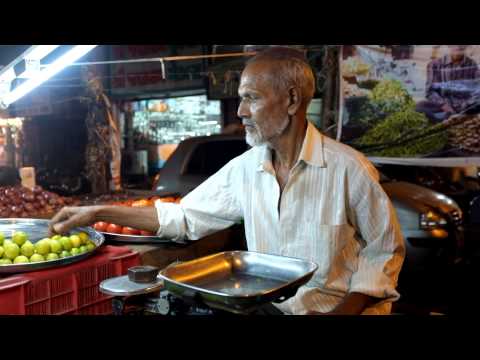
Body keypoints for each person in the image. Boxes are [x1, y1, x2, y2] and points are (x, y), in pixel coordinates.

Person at [50, 47, 405, 315]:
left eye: (251, 98)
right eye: (241, 99)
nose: (240, 112)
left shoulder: (348, 169)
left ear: (292, 100)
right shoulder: (245, 169)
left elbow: (384, 252)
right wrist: (96, 212)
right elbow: (184, 218)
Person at [416, 45, 480, 122]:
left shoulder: (472, 64)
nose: (458, 47)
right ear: (449, 46)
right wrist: (444, 105)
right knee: (420, 106)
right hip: (441, 107)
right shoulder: (435, 64)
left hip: (467, 107)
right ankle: (446, 118)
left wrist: (466, 105)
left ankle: (454, 117)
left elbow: (477, 90)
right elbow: (430, 91)